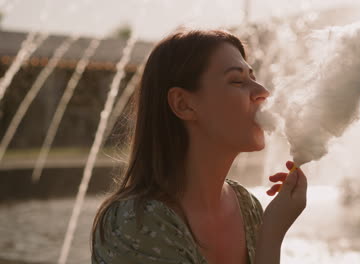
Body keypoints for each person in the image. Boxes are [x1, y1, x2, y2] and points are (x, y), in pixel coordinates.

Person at [91, 29, 308, 264]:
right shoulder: (136, 222)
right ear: (183, 104)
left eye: (253, 78)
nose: (262, 92)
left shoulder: (247, 207)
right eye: (237, 80)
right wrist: (272, 235)